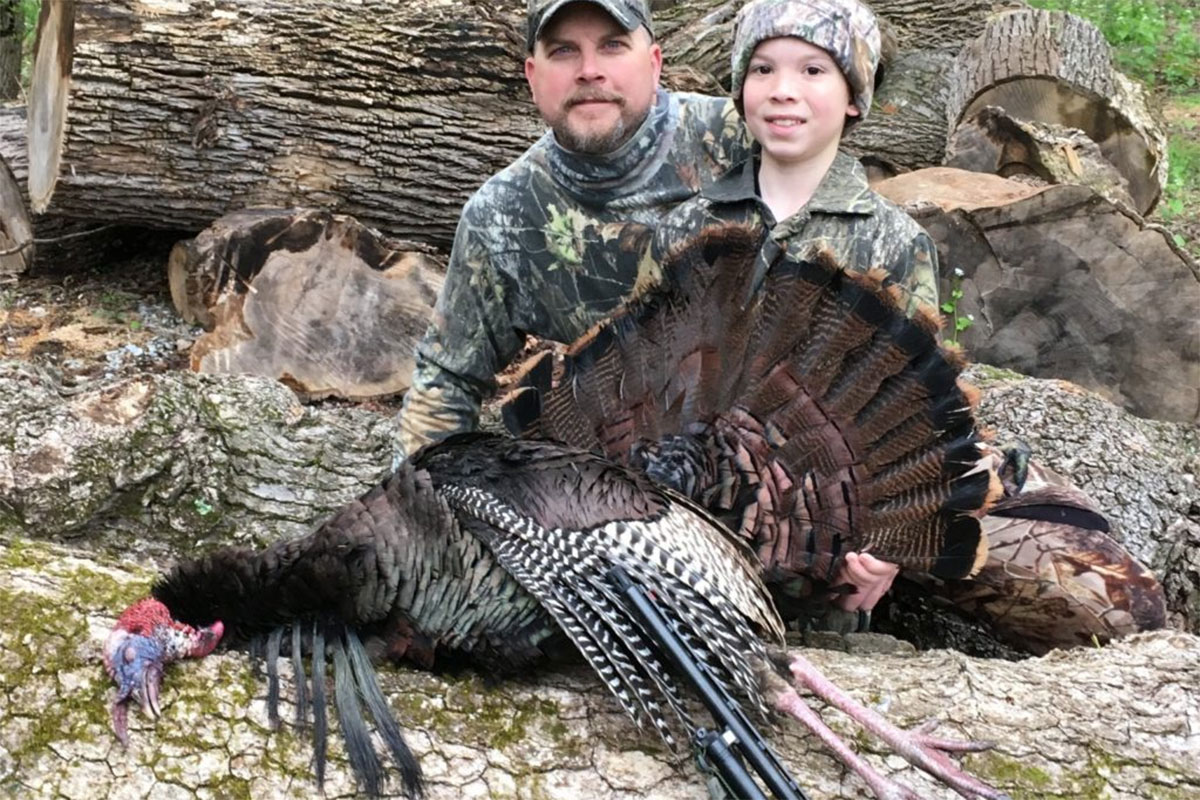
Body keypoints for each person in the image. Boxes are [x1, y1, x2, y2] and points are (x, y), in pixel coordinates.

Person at [646, 0, 940, 614]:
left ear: (854, 97)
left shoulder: (894, 242)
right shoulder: (684, 228)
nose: (783, 91)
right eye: (762, 70)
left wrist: (889, 548)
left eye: (813, 71)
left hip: (824, 555)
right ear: (740, 89)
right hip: (686, 541)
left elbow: (917, 418)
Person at [397, 0, 751, 458]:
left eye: (612, 46)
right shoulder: (502, 215)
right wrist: (416, 503)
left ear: (655, 62)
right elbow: (446, 381)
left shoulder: (740, 140)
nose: (589, 70)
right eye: (563, 51)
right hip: (627, 464)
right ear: (531, 74)